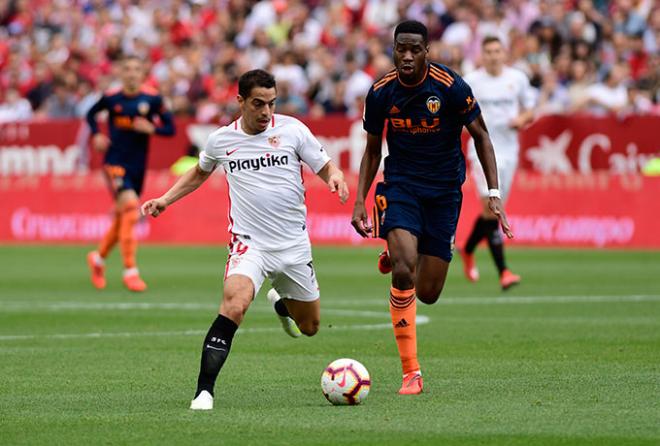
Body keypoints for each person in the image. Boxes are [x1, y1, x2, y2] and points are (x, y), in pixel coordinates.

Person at [141, 69, 349, 410]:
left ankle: (282, 305)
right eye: (258, 104)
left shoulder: (293, 130)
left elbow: (325, 166)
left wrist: (336, 177)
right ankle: (203, 392)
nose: (266, 112)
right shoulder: (222, 140)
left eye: (271, 103)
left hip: (293, 245)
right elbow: (199, 172)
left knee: (310, 327)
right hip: (249, 243)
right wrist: (165, 198)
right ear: (240, 101)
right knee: (234, 303)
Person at [351, 21, 513, 395]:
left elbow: (482, 138)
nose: (407, 56)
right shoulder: (380, 93)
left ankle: (398, 249)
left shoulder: (450, 86)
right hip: (402, 186)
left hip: (444, 193)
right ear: (393, 49)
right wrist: (360, 199)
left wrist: (493, 192)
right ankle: (412, 373)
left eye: (415, 49)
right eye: (401, 49)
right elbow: (373, 149)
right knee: (405, 271)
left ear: (427, 50)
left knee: (428, 292)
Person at [85, 55, 175, 292]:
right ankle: (130, 270)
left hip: (137, 166)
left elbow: (170, 128)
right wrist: (96, 134)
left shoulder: (153, 99)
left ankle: (98, 258)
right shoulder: (112, 97)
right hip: (114, 161)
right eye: (127, 69)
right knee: (130, 208)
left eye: (136, 68)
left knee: (122, 217)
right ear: (121, 73)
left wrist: (152, 128)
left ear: (142, 73)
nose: (132, 73)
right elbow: (90, 114)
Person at [461, 36, 535, 290]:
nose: (493, 55)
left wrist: (522, 119)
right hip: (481, 150)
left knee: (492, 210)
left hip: (509, 151)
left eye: (497, 51)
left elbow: (530, 110)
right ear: (482, 54)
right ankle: (503, 271)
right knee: (491, 207)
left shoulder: (518, 79)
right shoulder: (472, 80)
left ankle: (467, 249)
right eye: (488, 51)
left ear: (505, 53)